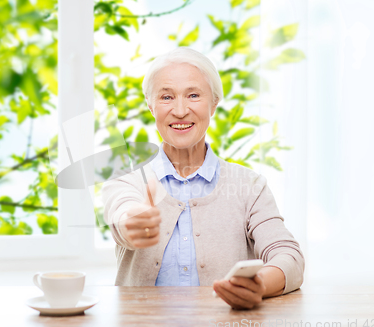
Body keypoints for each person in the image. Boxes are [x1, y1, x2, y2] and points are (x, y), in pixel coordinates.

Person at [102, 47, 304, 310]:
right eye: (166, 97)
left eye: (194, 95)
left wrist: (259, 285)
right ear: (150, 106)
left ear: (214, 103)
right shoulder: (128, 176)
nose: (180, 110)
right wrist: (133, 221)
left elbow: (288, 256)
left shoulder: (250, 185)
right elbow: (122, 210)